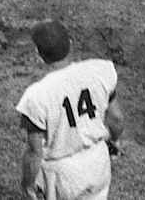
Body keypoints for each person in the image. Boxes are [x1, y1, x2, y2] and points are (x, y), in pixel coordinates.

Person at [16, 20, 125, 199]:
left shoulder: (37, 96)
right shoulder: (99, 70)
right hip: (98, 162)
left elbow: (34, 152)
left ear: (38, 54)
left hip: (62, 174)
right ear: (71, 44)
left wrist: (27, 184)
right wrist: (115, 140)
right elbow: (116, 118)